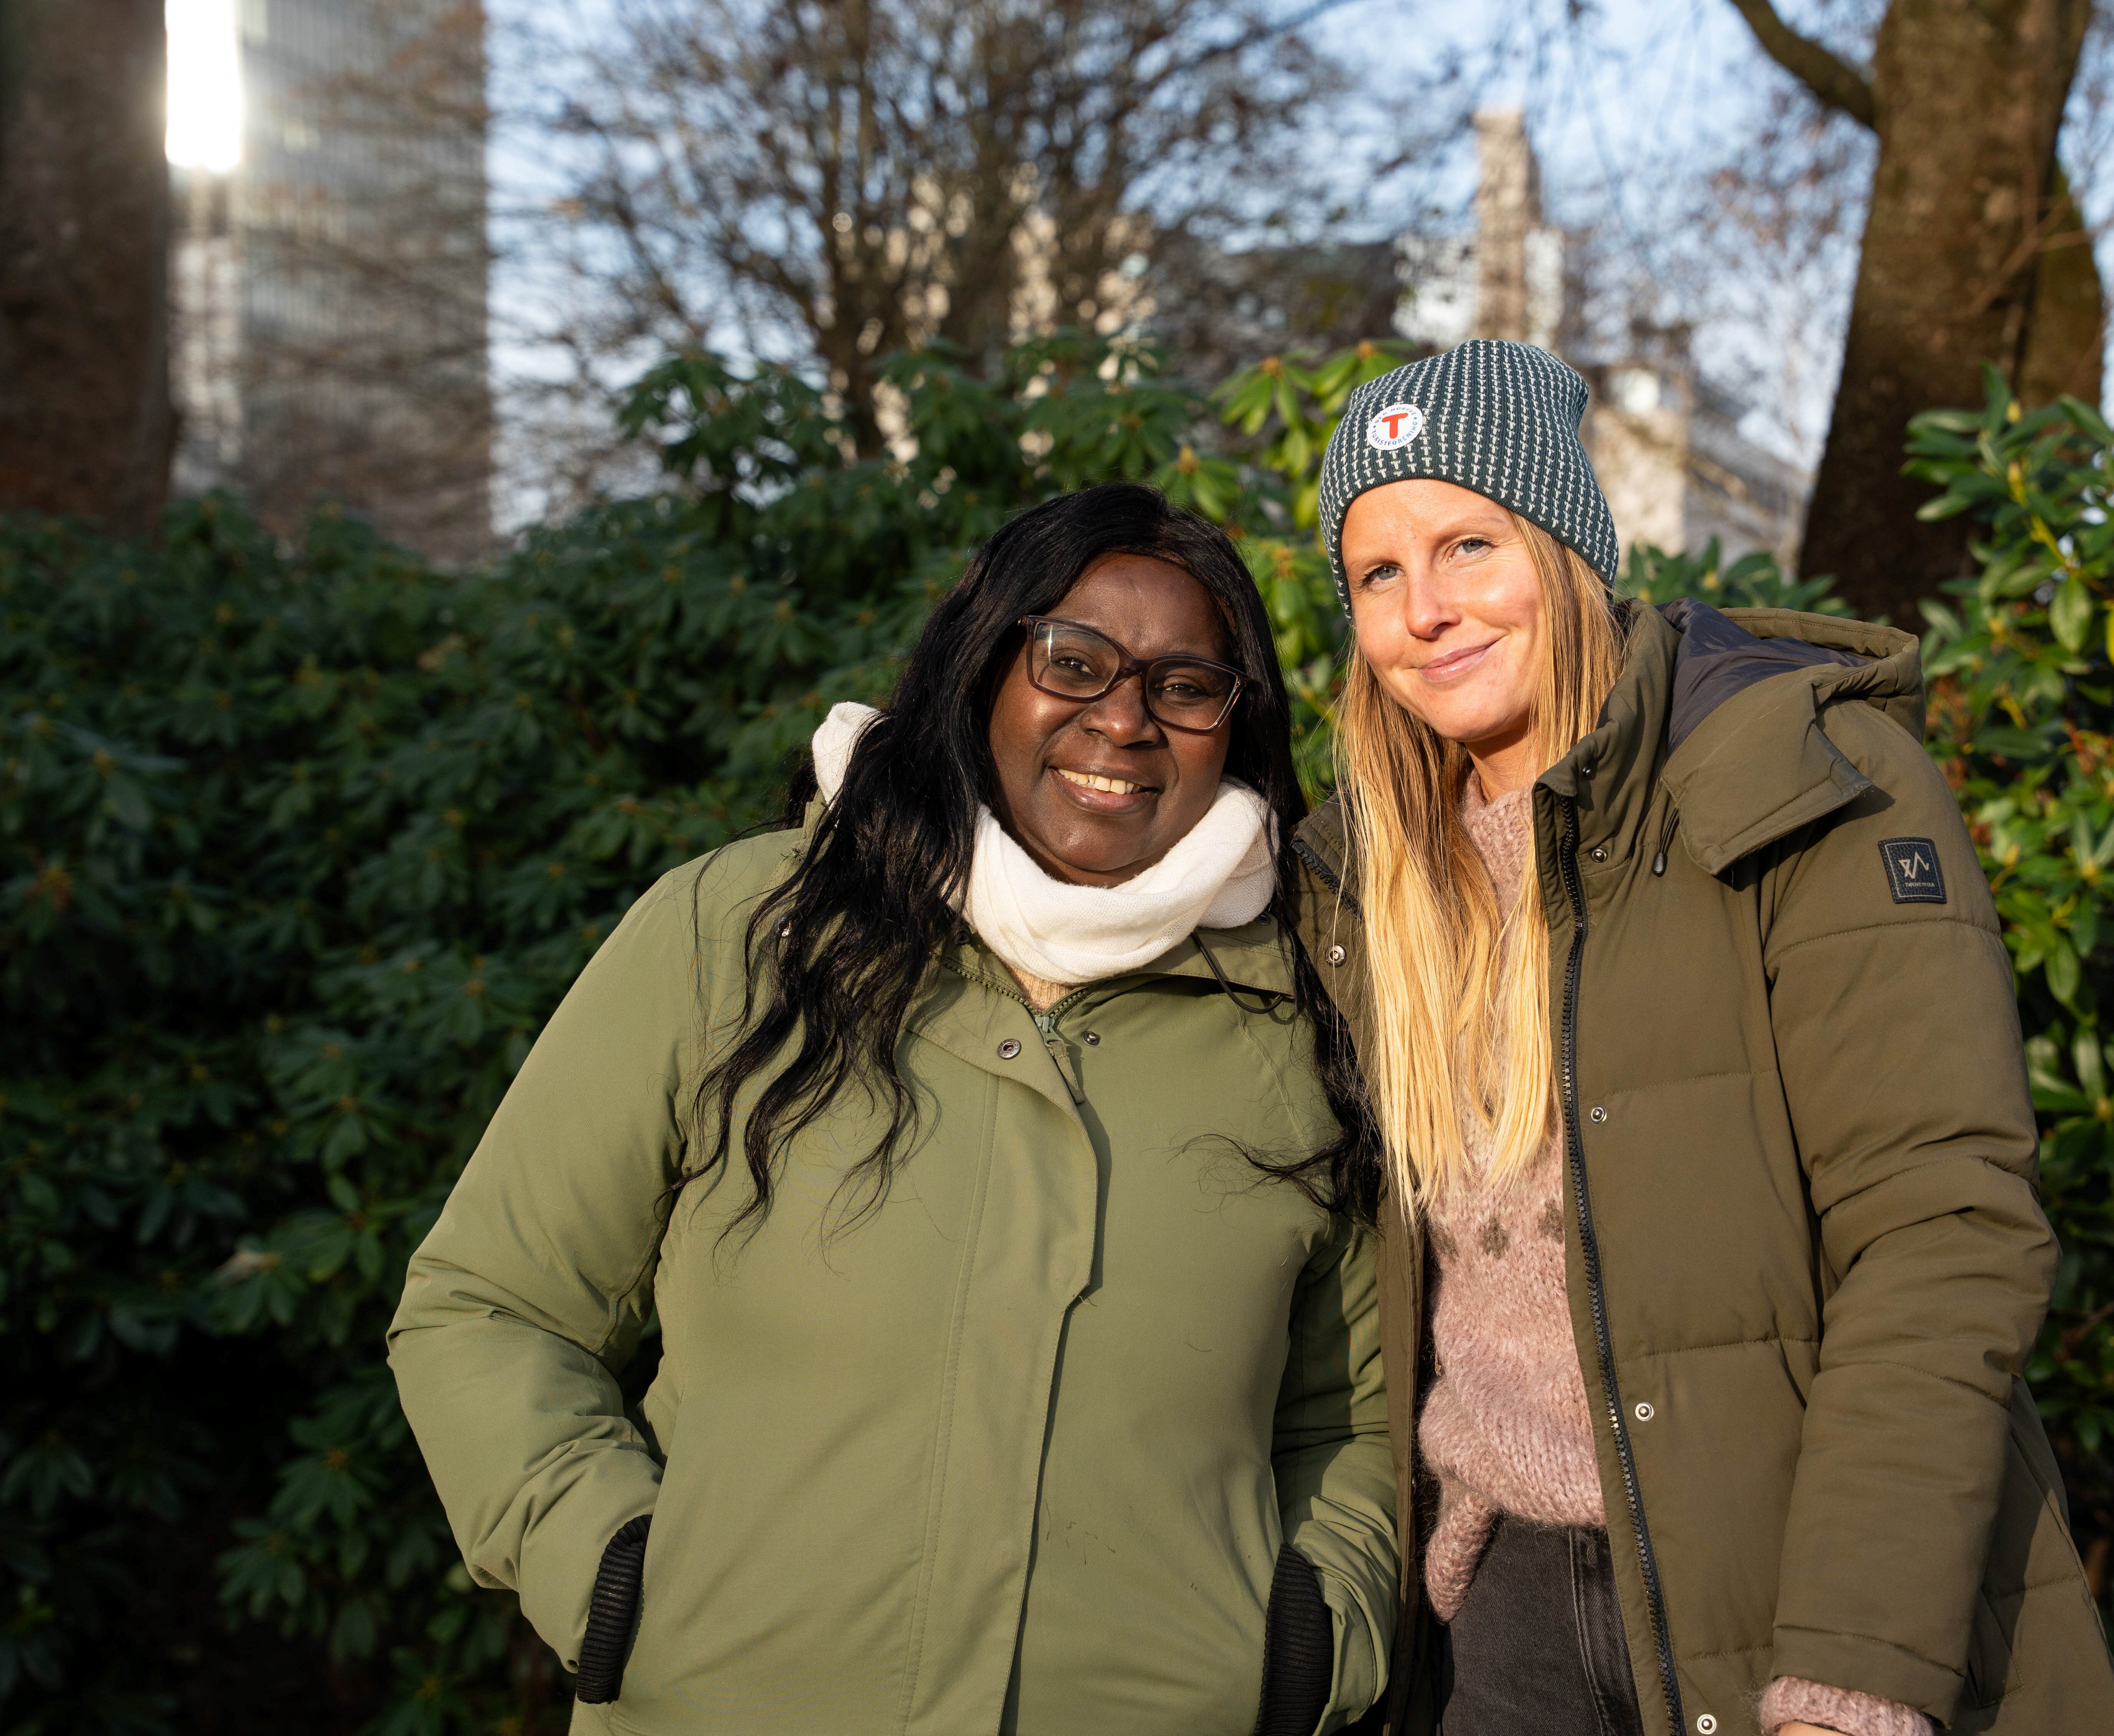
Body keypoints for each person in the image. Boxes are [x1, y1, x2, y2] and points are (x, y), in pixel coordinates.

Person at [389, 484, 1396, 1735]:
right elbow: (492, 1303)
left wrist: (1306, 1643)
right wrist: (610, 1577)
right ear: (982, 668)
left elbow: (1359, 1415)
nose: (1124, 719)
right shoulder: (741, 932)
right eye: (1073, 661)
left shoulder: (1307, 1007)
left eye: (1186, 687)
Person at [1292, 340, 2114, 1736]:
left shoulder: (1801, 783)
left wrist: (1852, 1675)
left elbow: (1942, 1229)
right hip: (1501, 1621)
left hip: (1787, 1582)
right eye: (1378, 574)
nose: (1426, 611)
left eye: (1468, 545)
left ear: (1567, 543)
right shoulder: (1364, 884)